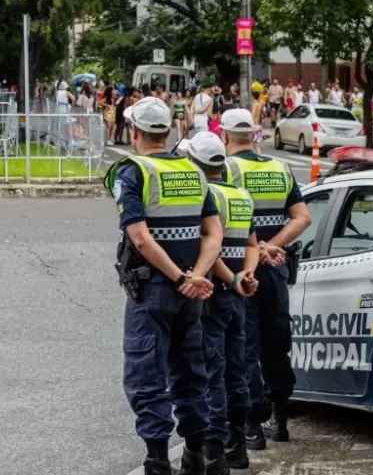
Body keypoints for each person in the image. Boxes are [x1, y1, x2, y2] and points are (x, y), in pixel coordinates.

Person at [103, 97, 224, 475]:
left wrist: (180, 277)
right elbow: (214, 233)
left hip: (153, 289)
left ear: (135, 132)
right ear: (168, 131)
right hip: (191, 295)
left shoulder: (133, 172)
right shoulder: (194, 172)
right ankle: (194, 456)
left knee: (146, 374)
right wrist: (196, 276)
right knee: (191, 372)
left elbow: (140, 238)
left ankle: (158, 460)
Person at [219, 108, 311, 450]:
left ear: (224, 136)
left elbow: (221, 219)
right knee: (276, 343)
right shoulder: (280, 168)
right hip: (276, 269)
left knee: (244, 346)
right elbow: (302, 217)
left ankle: (252, 428)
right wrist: (273, 246)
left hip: (242, 271)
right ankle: (281, 421)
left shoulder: (226, 169)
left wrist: (257, 249)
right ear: (254, 136)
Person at [182, 132, 260, 474]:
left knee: (211, 374)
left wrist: (231, 279)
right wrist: (246, 276)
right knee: (236, 370)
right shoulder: (241, 195)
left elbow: (209, 250)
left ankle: (214, 453)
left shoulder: (206, 195)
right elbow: (253, 245)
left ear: (195, 163)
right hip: (238, 298)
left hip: (213, 294)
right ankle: (238, 446)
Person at [251, 90, 265, 155]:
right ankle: (259, 155)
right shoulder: (260, 104)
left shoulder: (255, 104)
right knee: (256, 144)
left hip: (254, 125)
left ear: (253, 97)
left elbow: (253, 114)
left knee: (252, 143)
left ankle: (256, 156)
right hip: (259, 125)